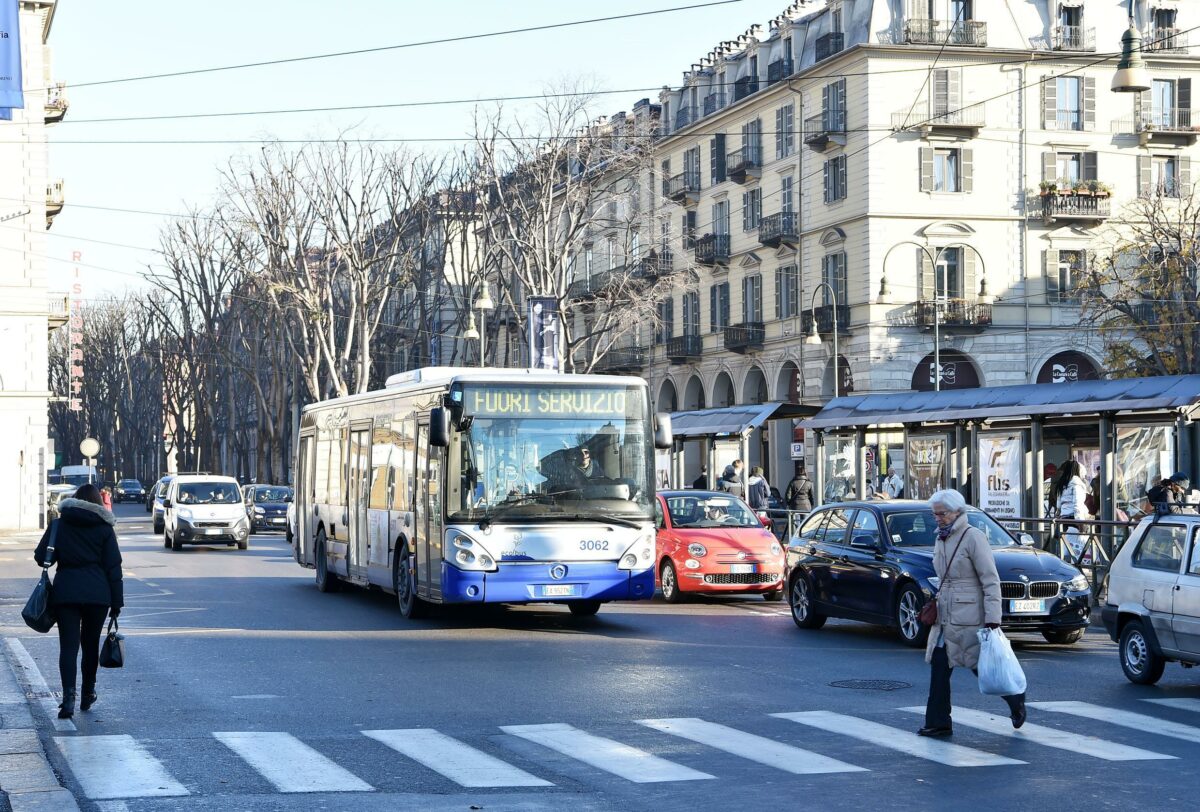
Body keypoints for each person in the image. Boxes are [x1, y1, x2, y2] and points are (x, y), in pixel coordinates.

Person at [919, 489, 1025, 738]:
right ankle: (938, 722)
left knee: (983, 666)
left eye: (942, 513)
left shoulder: (973, 537)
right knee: (939, 666)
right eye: (934, 514)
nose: (937, 518)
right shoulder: (941, 537)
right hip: (946, 614)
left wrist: (993, 618)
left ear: (957, 511)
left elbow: (990, 580)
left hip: (970, 616)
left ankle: (1015, 699)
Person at [33, 483, 123, 720]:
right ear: (97, 503)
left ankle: (68, 700)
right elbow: (114, 568)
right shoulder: (104, 528)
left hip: (66, 593)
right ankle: (87, 693)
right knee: (90, 645)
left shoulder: (59, 525)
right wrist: (117, 603)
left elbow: (41, 557)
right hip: (98, 595)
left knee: (69, 647)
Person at [1050, 460, 1091, 559]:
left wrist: (1058, 515)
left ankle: (1065, 564)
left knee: (1065, 546)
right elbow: (1078, 503)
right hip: (1074, 519)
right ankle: (1080, 564)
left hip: (1064, 519)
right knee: (1077, 547)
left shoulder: (1062, 484)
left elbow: (1059, 504)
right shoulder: (1077, 484)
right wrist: (1079, 522)